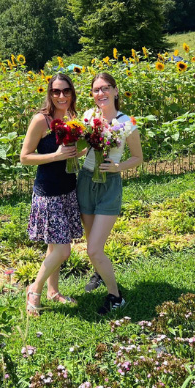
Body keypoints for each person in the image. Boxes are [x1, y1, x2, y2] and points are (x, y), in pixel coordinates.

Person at [77, 72, 143, 314]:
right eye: (96, 89)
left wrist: (117, 166)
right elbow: (83, 149)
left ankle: (116, 297)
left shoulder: (127, 122)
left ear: (115, 91)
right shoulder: (88, 116)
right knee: (91, 240)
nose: (100, 93)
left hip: (109, 184)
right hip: (85, 181)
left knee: (93, 248)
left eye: (105, 88)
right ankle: (99, 272)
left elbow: (138, 158)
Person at [20, 73, 83, 315]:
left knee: (53, 248)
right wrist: (55, 156)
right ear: (50, 93)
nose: (61, 96)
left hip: (68, 189)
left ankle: (53, 291)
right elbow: (25, 157)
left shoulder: (73, 118)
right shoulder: (41, 120)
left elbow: (72, 152)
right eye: (56, 91)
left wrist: (97, 145)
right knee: (63, 250)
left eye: (66, 91)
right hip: (48, 194)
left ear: (72, 93)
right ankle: (34, 290)